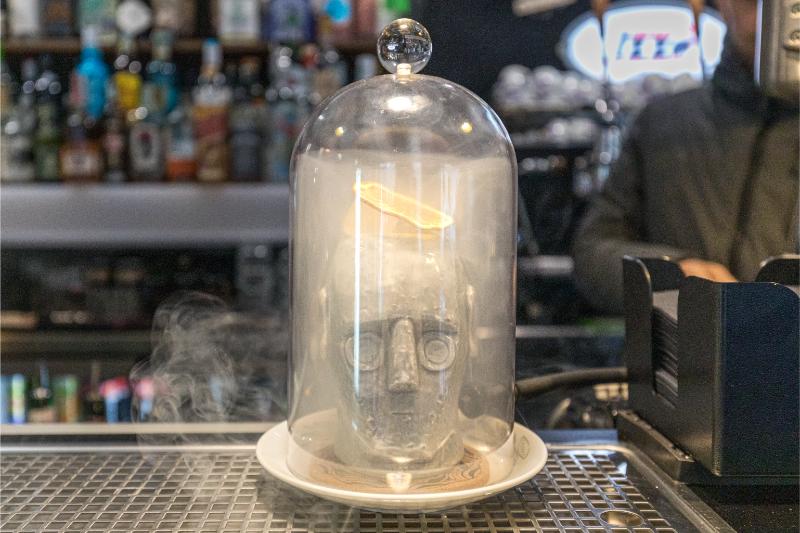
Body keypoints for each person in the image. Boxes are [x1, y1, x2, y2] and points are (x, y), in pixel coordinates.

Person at [572, 0, 799, 314]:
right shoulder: (661, 124)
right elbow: (593, 252)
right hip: (687, 342)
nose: (785, 19)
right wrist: (673, 274)